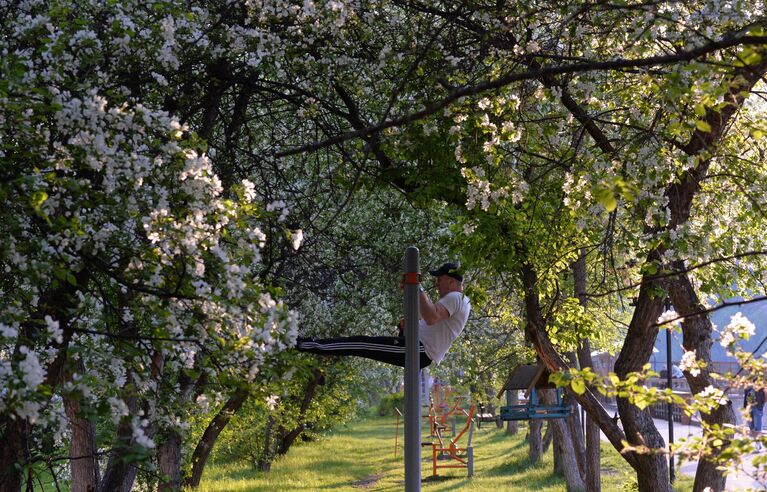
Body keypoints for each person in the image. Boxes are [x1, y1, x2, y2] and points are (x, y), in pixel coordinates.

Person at [296, 262, 471, 369]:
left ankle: (305, 344)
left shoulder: (456, 297)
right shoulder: (457, 300)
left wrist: (417, 287)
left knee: (361, 343)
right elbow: (425, 317)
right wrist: (411, 294)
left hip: (419, 350)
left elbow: (432, 317)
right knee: (361, 343)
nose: (437, 284)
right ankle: (306, 344)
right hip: (416, 347)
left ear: (450, 280)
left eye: (439, 280)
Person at [744, 384, 765, 450]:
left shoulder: (762, 389)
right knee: (751, 427)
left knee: (757, 426)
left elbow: (765, 398)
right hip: (748, 408)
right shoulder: (748, 388)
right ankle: (757, 443)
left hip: (757, 408)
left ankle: (758, 444)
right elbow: (745, 399)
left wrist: (761, 405)